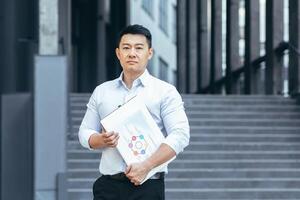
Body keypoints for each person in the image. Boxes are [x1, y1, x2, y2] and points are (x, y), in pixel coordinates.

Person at [78, 24, 190, 200]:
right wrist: (100, 139)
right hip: (107, 187)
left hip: (148, 187)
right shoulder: (102, 91)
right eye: (126, 47)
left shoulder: (165, 92)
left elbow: (180, 135)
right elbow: (84, 132)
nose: (132, 53)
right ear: (118, 53)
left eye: (139, 48)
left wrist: (146, 166)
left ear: (149, 53)